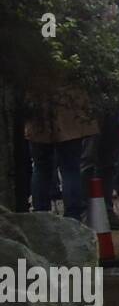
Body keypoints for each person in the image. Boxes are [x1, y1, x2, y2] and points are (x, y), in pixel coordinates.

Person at [25, 89, 99, 223]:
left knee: (41, 168)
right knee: (71, 169)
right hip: (69, 107)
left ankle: (41, 218)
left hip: (39, 105)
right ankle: (73, 219)